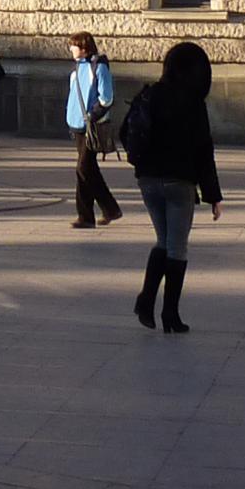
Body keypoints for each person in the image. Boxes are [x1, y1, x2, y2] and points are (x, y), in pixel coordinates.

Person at [128, 41, 223, 335]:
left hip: (148, 180)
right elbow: (203, 151)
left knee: (163, 240)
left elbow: (128, 132)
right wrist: (213, 195)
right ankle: (170, 313)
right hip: (179, 181)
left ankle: (146, 300)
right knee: (176, 247)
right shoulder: (194, 103)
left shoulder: (149, 94)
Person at [65, 32, 121, 228]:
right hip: (78, 126)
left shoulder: (98, 67)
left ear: (84, 47)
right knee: (88, 170)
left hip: (91, 125)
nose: (70, 49)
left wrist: (92, 115)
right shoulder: (76, 69)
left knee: (83, 169)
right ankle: (108, 210)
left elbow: (106, 97)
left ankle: (89, 215)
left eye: (73, 45)